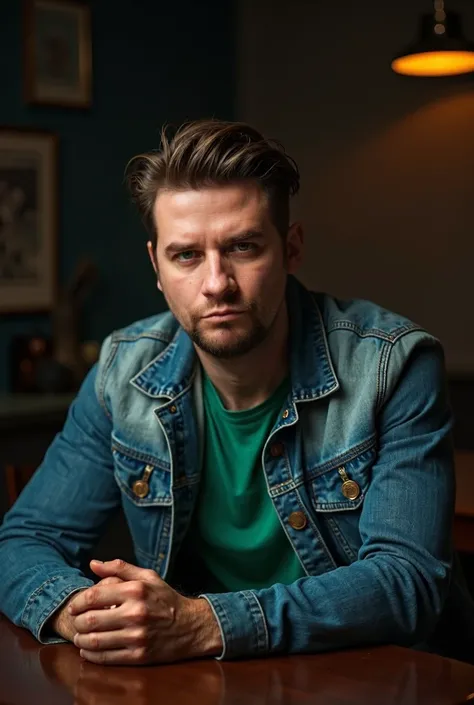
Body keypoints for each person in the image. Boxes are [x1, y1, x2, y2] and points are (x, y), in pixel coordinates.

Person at [0, 119, 472, 666]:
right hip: (207, 680)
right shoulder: (121, 371)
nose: (217, 283)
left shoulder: (392, 365)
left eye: (243, 247)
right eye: (186, 256)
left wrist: (204, 623)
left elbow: (406, 584)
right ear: (156, 265)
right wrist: (85, 611)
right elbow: (24, 541)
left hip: (380, 677)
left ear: (291, 247)